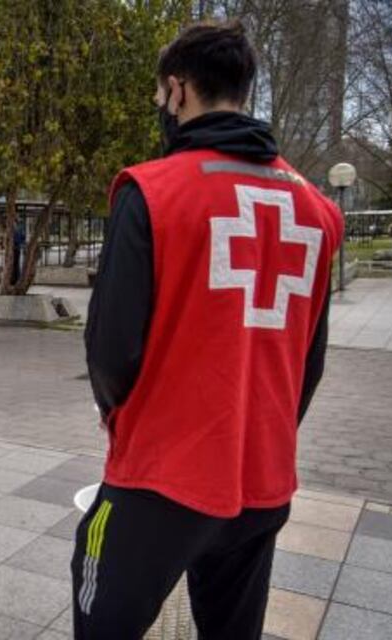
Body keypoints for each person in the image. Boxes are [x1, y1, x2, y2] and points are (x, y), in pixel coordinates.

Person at [73, 22, 343, 639]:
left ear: (177, 90)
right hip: (263, 479)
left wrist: (121, 421)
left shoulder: (151, 190)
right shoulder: (318, 210)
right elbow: (311, 361)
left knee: (99, 610)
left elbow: (111, 353)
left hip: (162, 477)